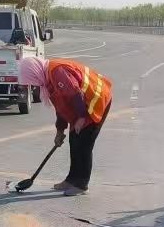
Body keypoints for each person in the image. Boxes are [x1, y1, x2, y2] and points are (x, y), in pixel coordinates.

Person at [17, 56, 112, 195]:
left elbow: (74, 94)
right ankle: (71, 180)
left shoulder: (56, 71)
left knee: (84, 144)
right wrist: (60, 130)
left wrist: (80, 118)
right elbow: (61, 107)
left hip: (96, 100)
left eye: (32, 80)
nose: (34, 84)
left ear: (34, 71)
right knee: (74, 141)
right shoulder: (48, 80)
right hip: (82, 104)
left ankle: (81, 184)